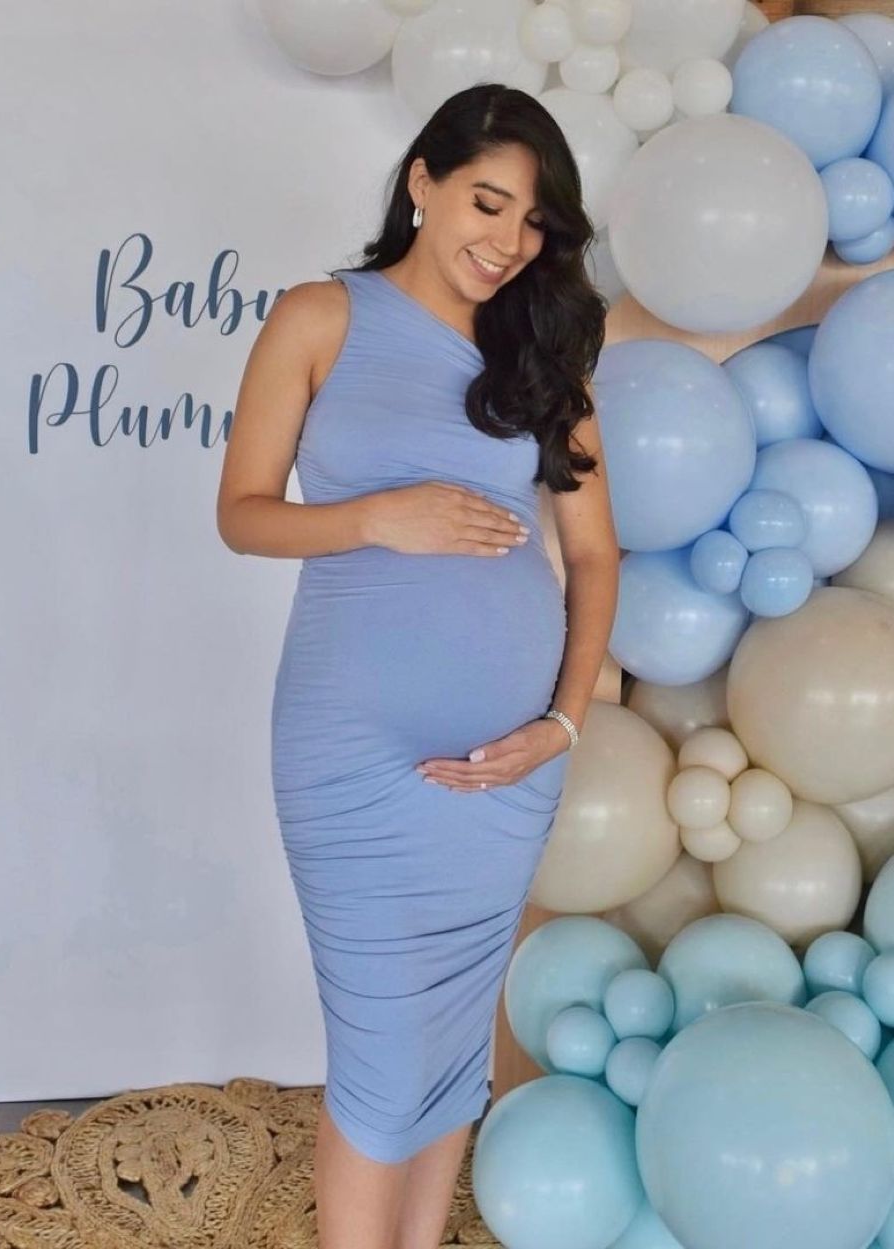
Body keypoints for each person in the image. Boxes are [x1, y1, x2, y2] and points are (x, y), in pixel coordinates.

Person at [216, 82, 620, 1249]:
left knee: (447, 1056)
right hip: (353, 749)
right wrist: (376, 517)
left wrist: (563, 724)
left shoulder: (541, 353)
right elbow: (242, 514)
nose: (507, 241)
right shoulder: (318, 319)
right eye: (486, 203)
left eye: (533, 221)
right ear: (421, 182)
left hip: (508, 764)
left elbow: (594, 556)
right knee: (381, 1061)